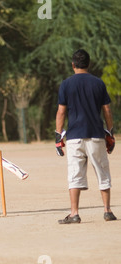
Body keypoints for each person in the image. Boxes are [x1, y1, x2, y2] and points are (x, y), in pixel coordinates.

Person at [55, 49, 117, 224]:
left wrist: (58, 136)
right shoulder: (98, 83)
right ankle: (107, 211)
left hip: (74, 136)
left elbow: (61, 112)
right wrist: (110, 131)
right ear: (88, 64)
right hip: (96, 134)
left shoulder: (66, 84)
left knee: (74, 175)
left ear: (73, 65)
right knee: (102, 171)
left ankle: (74, 213)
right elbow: (107, 109)